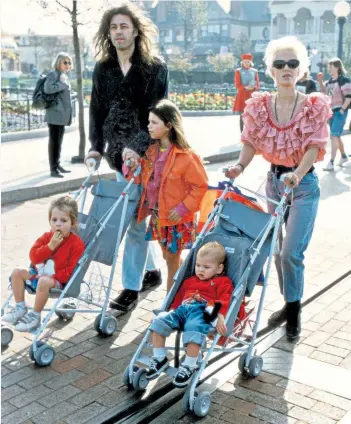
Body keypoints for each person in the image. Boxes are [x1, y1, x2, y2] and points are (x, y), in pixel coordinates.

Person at [225, 36, 331, 340]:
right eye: (280, 64)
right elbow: (250, 143)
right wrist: (239, 167)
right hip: (274, 183)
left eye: (293, 63)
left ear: (301, 69)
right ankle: (289, 301)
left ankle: (294, 311)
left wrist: (297, 173)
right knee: (275, 249)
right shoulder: (260, 104)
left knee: (290, 253)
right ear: (271, 70)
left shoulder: (313, 105)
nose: (287, 68)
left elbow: (314, 146)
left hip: (303, 185)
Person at [85, 3, 169, 311]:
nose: (119, 32)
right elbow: (96, 110)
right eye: (113, 27)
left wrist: (138, 145)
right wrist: (95, 145)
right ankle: (151, 272)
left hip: (147, 154)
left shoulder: (154, 68)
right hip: (118, 157)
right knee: (136, 215)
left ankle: (131, 288)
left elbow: (157, 114)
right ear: (108, 33)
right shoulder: (103, 68)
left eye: (124, 26)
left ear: (135, 30)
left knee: (134, 221)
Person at [124, 99, 208, 293]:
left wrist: (183, 208)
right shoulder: (152, 152)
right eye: (149, 122)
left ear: (169, 125)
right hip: (158, 216)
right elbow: (141, 179)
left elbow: (200, 186)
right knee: (169, 258)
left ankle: (169, 304)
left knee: (171, 260)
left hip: (176, 218)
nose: (149, 126)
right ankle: (180, 293)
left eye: (154, 122)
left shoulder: (186, 156)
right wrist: (131, 165)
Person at [145, 242, 233, 387]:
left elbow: (225, 300)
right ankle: (159, 358)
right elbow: (178, 298)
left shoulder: (222, 282)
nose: (200, 270)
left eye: (206, 267)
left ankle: (190, 365)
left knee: (194, 327)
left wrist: (220, 316)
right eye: (198, 265)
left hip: (202, 310)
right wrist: (172, 310)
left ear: (219, 268)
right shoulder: (189, 280)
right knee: (159, 321)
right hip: (182, 310)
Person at [2, 196, 85, 332]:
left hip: (56, 280)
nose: (58, 224)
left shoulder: (76, 244)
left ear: (73, 223)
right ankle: (20, 308)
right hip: (39, 273)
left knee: (44, 282)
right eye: (54, 220)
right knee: (17, 272)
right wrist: (50, 246)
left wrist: (49, 277)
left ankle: (35, 316)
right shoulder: (47, 237)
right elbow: (34, 257)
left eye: (63, 220)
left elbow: (69, 272)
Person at [317, 58, 351, 171]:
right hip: (331, 112)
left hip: (340, 112)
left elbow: (349, 97)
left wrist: (342, 109)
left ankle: (331, 162)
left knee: (334, 136)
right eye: (328, 67)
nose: (329, 69)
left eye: (331, 66)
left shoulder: (344, 80)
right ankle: (344, 157)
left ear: (337, 67)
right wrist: (321, 82)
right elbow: (324, 93)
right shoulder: (330, 81)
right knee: (336, 135)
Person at [44, 52, 73, 178]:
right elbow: (47, 89)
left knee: (59, 141)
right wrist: (62, 85)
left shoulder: (63, 76)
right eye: (64, 62)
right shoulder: (53, 74)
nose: (67, 65)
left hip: (61, 114)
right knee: (54, 141)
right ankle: (53, 169)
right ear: (58, 63)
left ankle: (57, 164)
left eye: (69, 62)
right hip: (54, 114)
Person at [232, 53, 260, 133]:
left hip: (252, 96)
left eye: (248, 62)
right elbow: (237, 85)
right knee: (242, 115)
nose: (246, 63)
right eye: (244, 62)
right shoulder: (238, 71)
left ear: (250, 62)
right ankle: (242, 133)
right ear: (242, 62)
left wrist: (254, 87)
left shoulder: (255, 71)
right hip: (242, 95)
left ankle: (251, 133)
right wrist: (245, 88)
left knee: (252, 116)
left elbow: (257, 84)